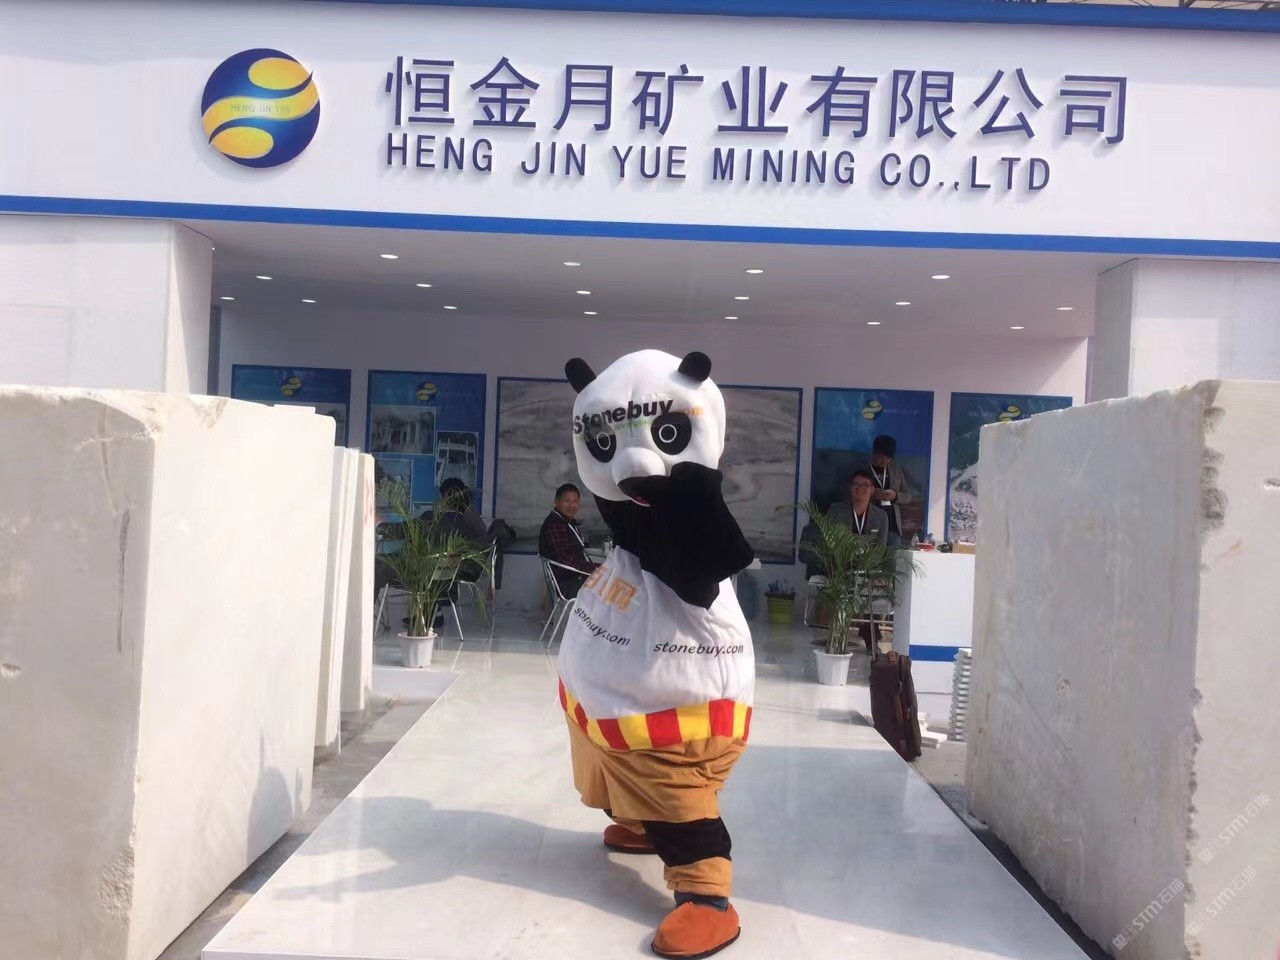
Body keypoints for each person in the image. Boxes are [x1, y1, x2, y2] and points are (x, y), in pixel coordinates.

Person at [855, 434, 917, 546]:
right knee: (871, 555)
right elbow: (851, 493)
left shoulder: (896, 470)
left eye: (889, 458)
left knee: (893, 556)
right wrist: (870, 493)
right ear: (875, 452)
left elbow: (909, 495)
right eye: (882, 457)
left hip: (892, 527)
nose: (886, 461)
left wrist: (896, 496)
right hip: (870, 524)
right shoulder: (862, 468)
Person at [538, 482, 598, 598]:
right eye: (566, 501)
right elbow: (563, 558)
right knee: (611, 588)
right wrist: (595, 569)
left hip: (576, 577)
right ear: (556, 501)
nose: (571, 505)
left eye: (575, 501)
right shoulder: (555, 524)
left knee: (613, 582)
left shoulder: (567, 521)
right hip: (567, 584)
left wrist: (597, 568)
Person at [826, 468, 889, 545]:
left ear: (872, 489)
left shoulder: (881, 516)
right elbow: (828, 540)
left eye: (865, 485)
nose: (860, 488)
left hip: (869, 553)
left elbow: (881, 547)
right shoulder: (836, 510)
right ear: (850, 487)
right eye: (856, 484)